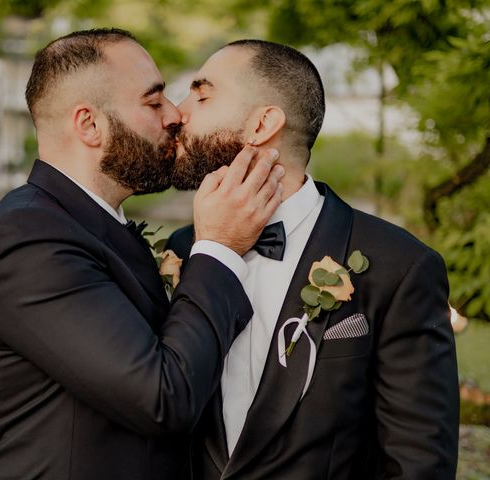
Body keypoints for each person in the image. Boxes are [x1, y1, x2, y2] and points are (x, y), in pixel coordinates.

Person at [0, 29, 284, 480]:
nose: (175, 116)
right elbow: (164, 398)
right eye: (153, 102)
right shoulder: (27, 239)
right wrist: (220, 247)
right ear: (89, 125)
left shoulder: (86, 224)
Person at [167, 39, 459, 479]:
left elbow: (418, 462)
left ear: (263, 122)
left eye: (202, 95)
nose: (177, 112)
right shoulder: (185, 248)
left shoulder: (399, 266)